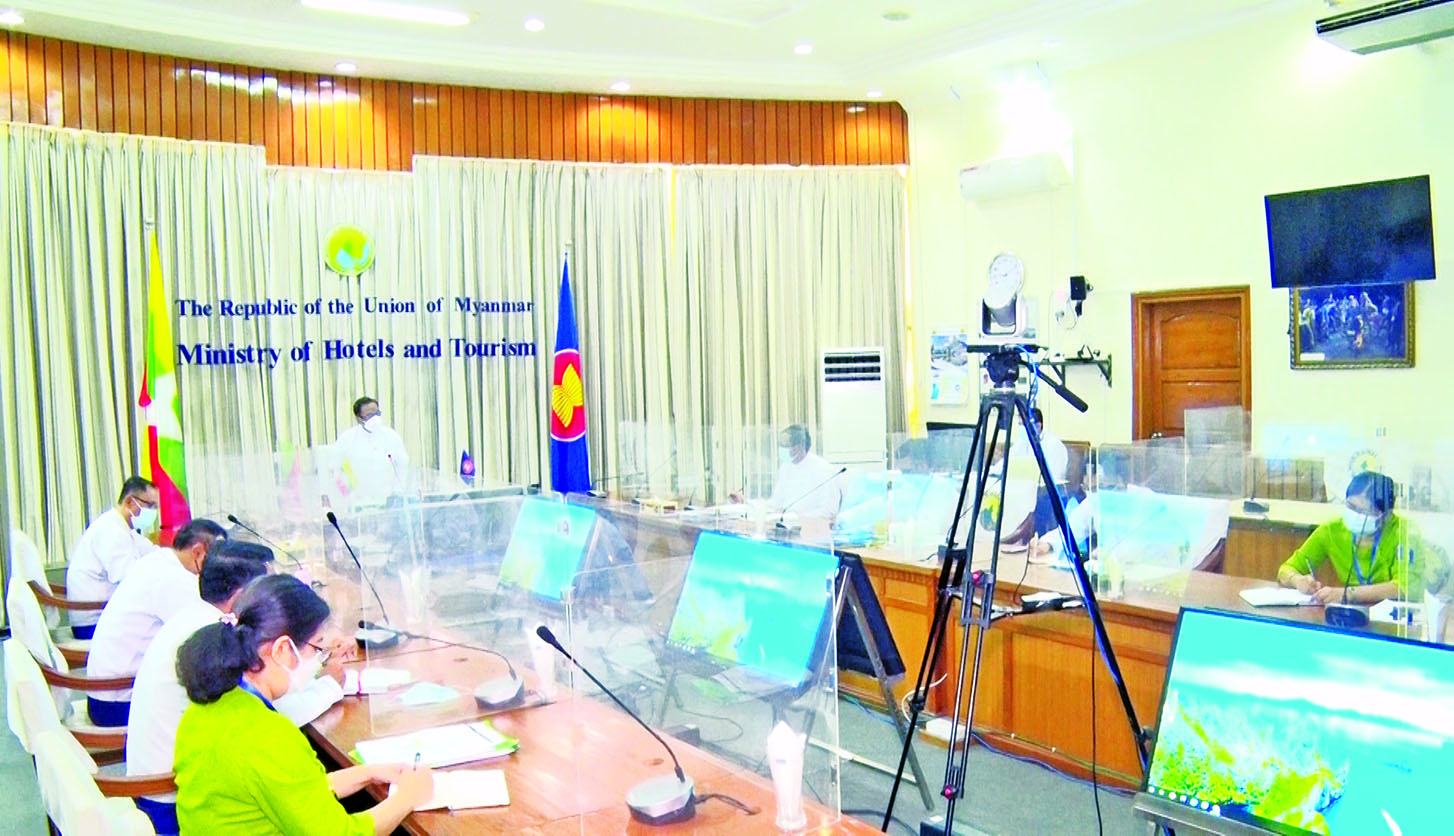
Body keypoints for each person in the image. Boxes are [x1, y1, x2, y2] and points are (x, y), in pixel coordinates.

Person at [174, 574, 431, 834]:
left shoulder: (204, 709)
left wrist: (368, 773)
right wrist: (408, 797)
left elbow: (296, 789)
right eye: (317, 648)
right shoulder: (268, 735)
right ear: (282, 649)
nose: (319, 660)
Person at [127, 542, 347, 835]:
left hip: (183, 782)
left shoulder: (207, 626)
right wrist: (330, 685)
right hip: (169, 802)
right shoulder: (208, 637)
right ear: (243, 597)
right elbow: (274, 715)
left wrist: (314, 655)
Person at [84, 518, 227, 727]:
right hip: (116, 703)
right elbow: (208, 633)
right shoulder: (174, 579)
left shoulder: (157, 561)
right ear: (198, 552)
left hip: (105, 693)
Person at [1278, 471, 1421, 605]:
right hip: (1350, 612)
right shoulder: (1331, 530)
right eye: (1351, 506)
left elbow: (1406, 587)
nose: (1355, 515)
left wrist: (1349, 594)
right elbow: (1286, 570)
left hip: (1390, 616)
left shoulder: (1405, 532)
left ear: (1386, 515)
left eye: (1364, 511)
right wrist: (1298, 580)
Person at [65, 476, 160, 638]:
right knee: (161, 626)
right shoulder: (111, 530)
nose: (153, 512)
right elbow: (127, 578)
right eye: (150, 506)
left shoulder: (121, 527)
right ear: (129, 502)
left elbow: (153, 552)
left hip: (104, 614)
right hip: (94, 621)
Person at [333, 396, 411, 502]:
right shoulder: (347, 439)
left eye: (377, 414)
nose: (375, 419)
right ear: (359, 418)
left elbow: (402, 465)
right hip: (357, 501)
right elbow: (337, 471)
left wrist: (397, 491)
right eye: (370, 415)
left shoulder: (391, 436)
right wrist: (348, 497)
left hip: (388, 499)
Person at [764, 425, 844, 521]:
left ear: (800, 446)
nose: (782, 449)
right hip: (786, 525)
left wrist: (796, 518)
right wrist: (759, 507)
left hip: (813, 526)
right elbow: (777, 502)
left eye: (786, 446)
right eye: (781, 445)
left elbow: (829, 511)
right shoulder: (785, 467)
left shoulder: (823, 469)